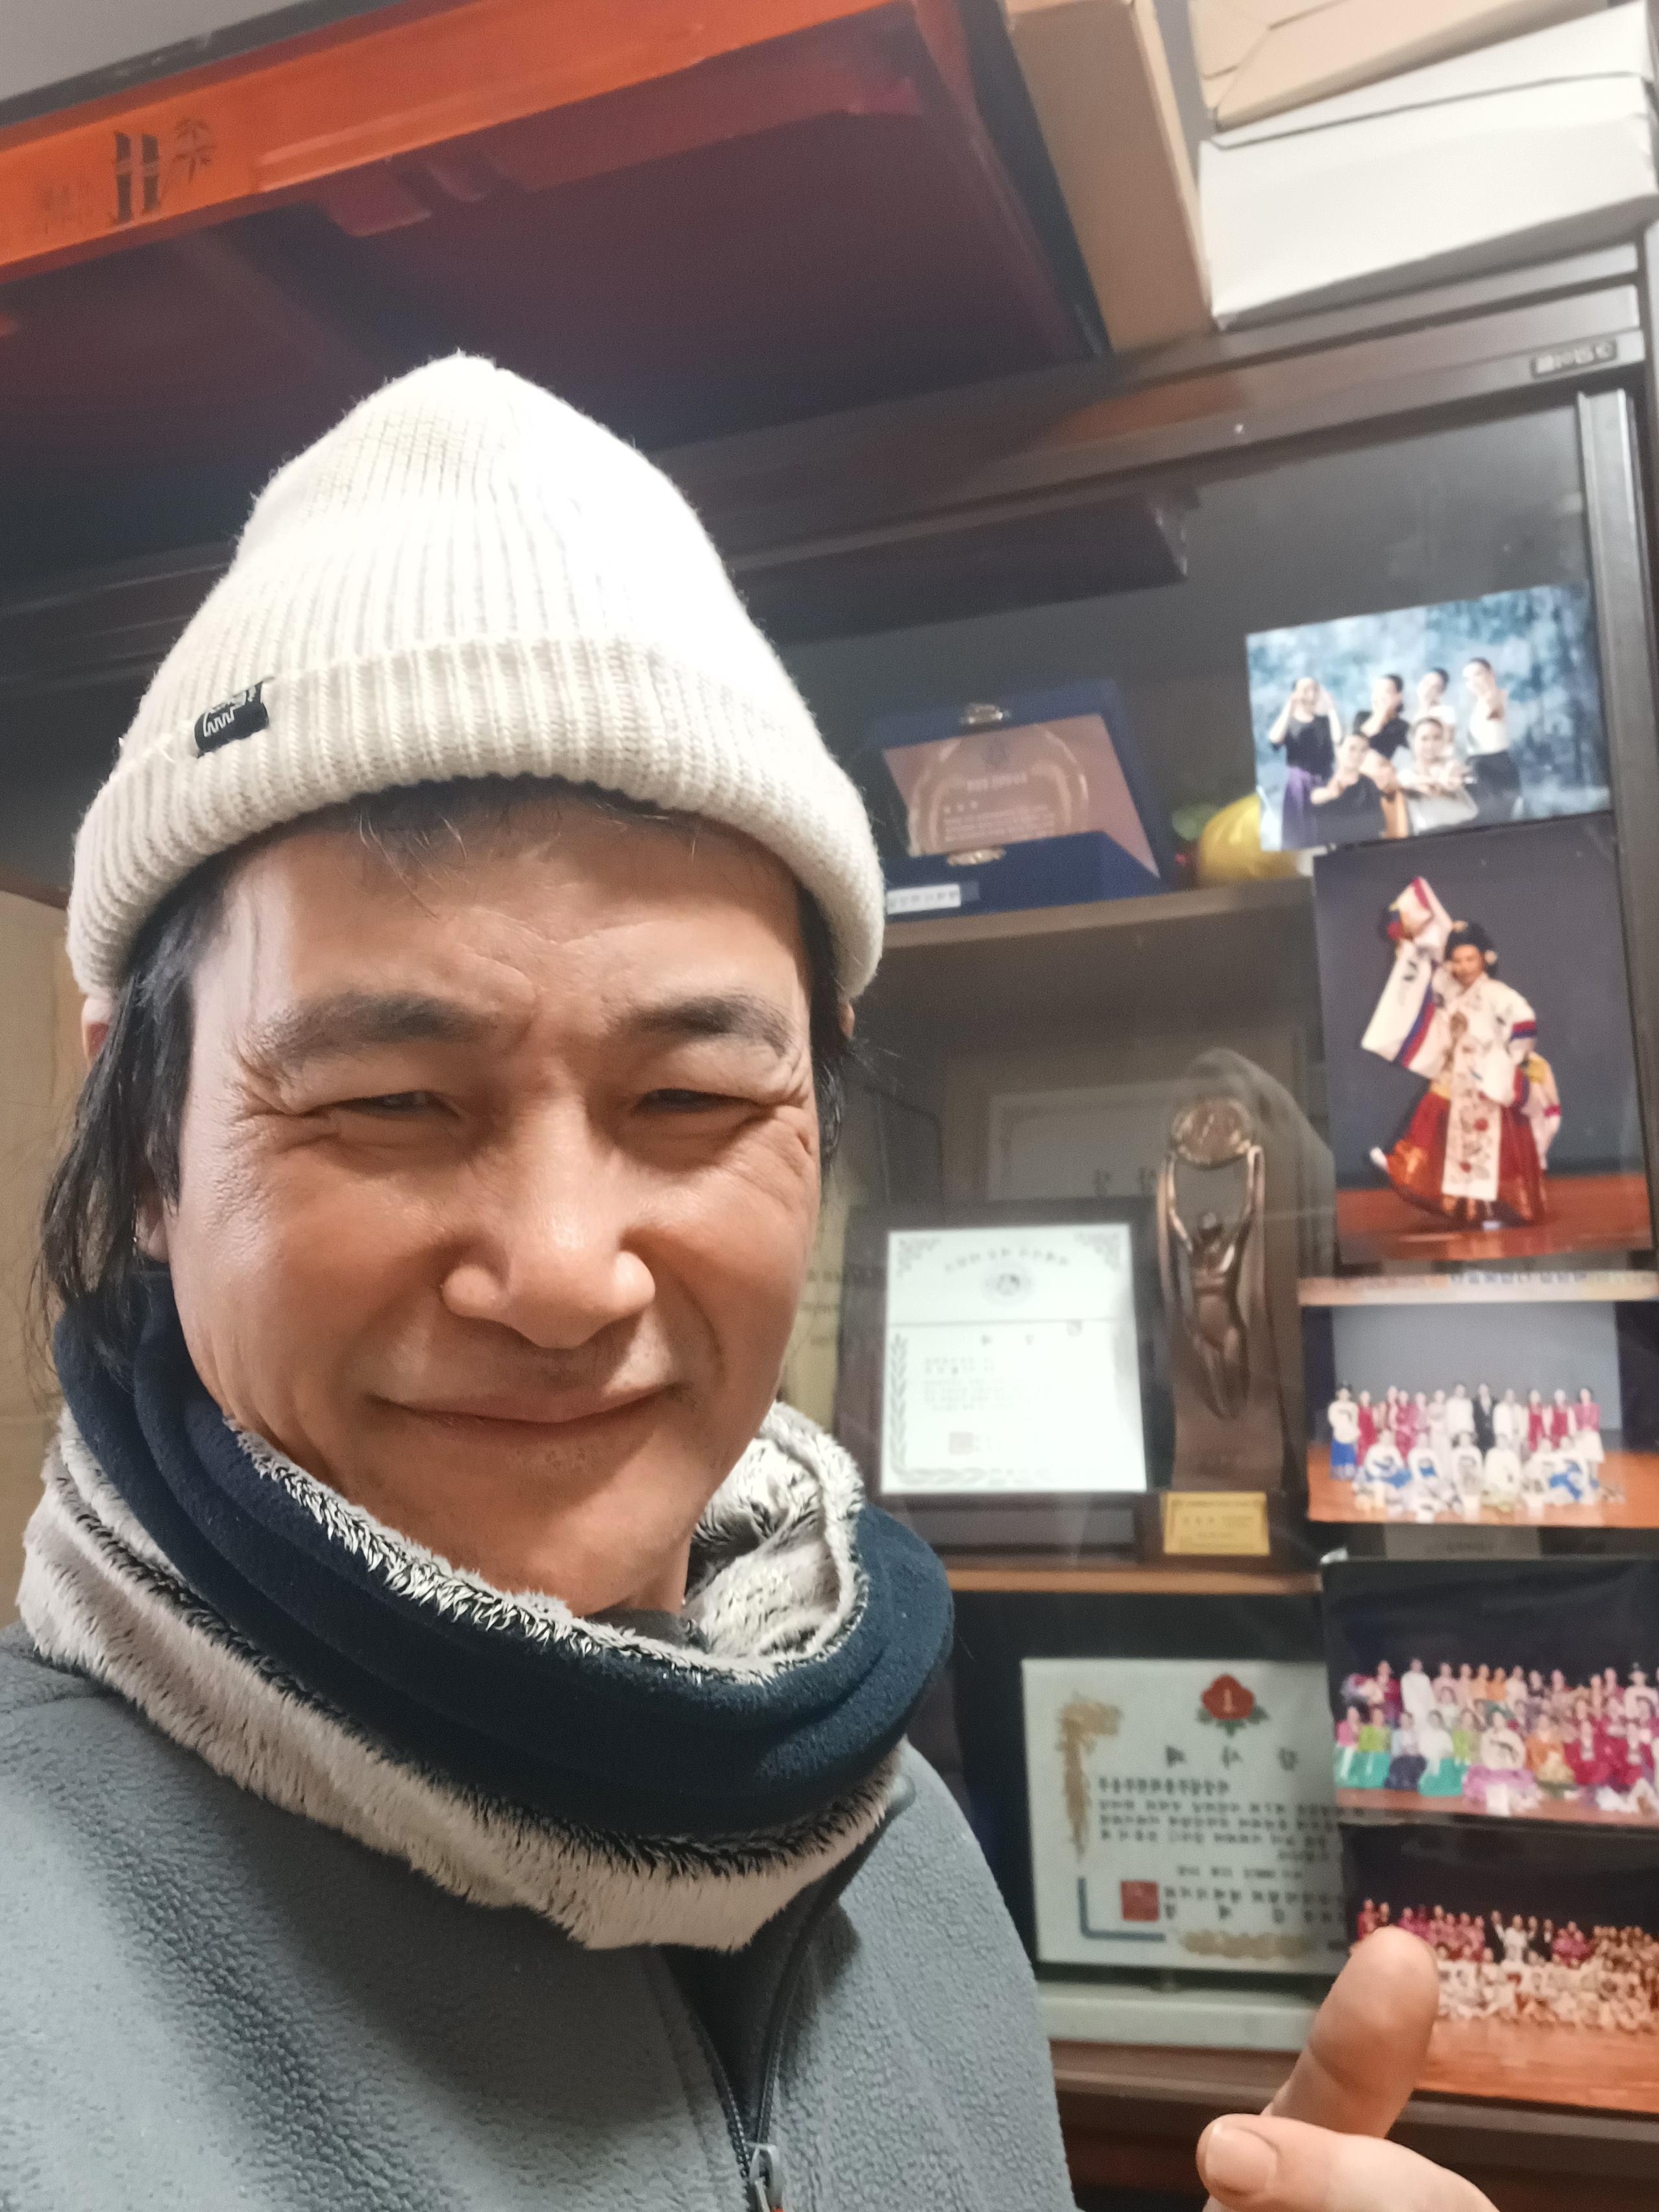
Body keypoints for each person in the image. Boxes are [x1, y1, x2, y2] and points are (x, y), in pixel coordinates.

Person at [2, 360, 1486, 2212]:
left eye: (691, 1099)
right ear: (143, 1136)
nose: (563, 1272)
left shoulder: (893, 1841)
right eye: (389, 1100)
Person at [1362, 879, 1560, 1230]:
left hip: (1487, 1081)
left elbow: (1524, 1020)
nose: (1464, 966)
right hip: (1457, 1075)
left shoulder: (1498, 994)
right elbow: (1426, 970)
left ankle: (1498, 1210)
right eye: (1457, 960)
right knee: (1438, 1124)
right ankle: (1411, 1171)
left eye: (1471, 959)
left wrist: (1511, 1060)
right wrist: (1411, 940)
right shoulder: (1452, 990)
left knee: (1493, 1150)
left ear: (1485, 959)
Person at [1270, 677, 1341, 848]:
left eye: (1315, 689)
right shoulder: (1289, 723)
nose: (1311, 694)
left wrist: (1332, 709)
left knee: (1327, 833)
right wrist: (1289, 707)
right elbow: (1274, 739)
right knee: (1300, 834)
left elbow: (1338, 739)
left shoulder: (1324, 721)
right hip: (1299, 785)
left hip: (1325, 781)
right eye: (1305, 689)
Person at [1307, 728, 1401, 846]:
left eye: (1363, 750)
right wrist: (1330, 794)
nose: (1357, 755)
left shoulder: (1370, 785)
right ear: (1339, 750)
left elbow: (1379, 827)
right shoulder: (1322, 782)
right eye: (1352, 748)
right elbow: (1312, 800)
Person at [1462, 656, 1523, 824]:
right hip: (1477, 770)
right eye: (1468, 679)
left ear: (1491, 674)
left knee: (1497, 820)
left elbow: (1497, 708)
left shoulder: (1500, 697)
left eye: (1478, 674)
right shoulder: (1475, 707)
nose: (1473, 682)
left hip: (1497, 767)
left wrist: (1490, 691)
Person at [1394, 715, 1476, 837]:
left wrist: (1449, 777)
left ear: (1444, 741)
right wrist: (1436, 781)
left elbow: (1455, 778)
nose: (1431, 745)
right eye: (1424, 739)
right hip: (1431, 835)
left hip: (1469, 828)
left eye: (1437, 738)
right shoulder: (1405, 773)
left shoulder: (1452, 764)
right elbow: (1409, 782)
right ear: (1413, 741)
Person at [1327, 1384, 1360, 1478]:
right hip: (1339, 1434)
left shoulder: (1353, 1406)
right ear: (1338, 1394)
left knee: (1350, 1455)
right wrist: (1342, 1428)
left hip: (1350, 1436)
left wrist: (1353, 1433)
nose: (1344, 1395)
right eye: (1342, 1393)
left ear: (1349, 1395)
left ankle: (1350, 1473)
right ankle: (1338, 1474)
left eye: (1346, 1393)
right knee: (1339, 1454)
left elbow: (1355, 1421)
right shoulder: (1334, 1406)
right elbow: (1333, 1420)